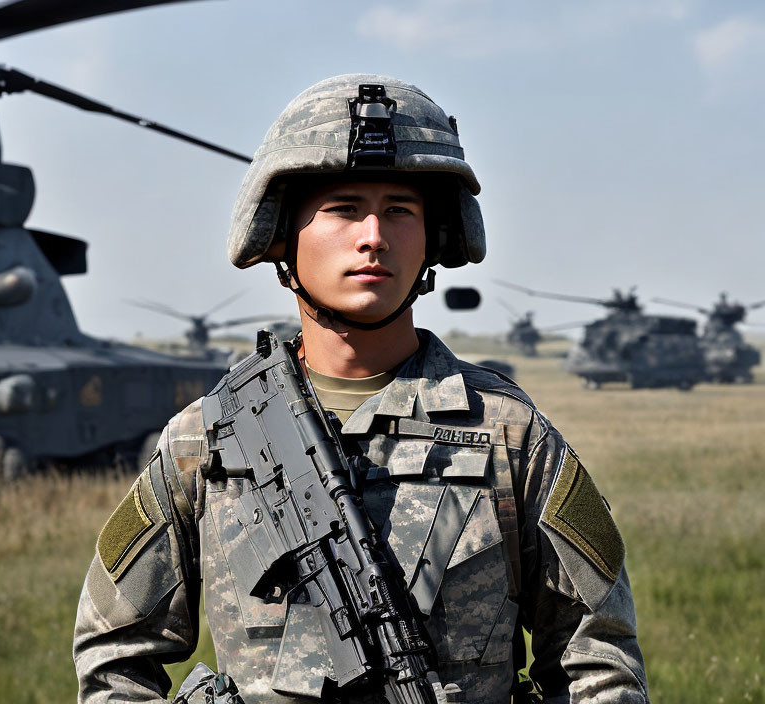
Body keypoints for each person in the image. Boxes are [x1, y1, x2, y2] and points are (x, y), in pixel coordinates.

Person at [73, 74, 649, 703]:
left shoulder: (509, 435)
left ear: (434, 236)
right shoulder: (206, 440)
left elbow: (598, 661)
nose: (373, 235)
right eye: (344, 208)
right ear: (283, 234)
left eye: (399, 210)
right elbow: (116, 660)